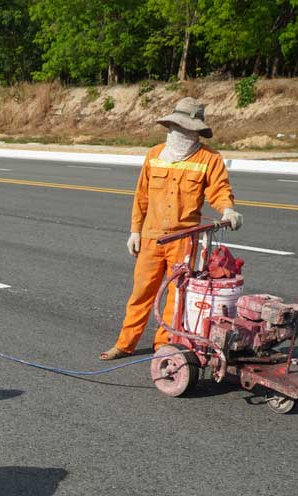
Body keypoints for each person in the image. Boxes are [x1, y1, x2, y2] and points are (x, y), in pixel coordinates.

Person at [100, 97, 243, 360]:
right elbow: (141, 196)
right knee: (141, 293)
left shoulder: (209, 159)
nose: (182, 133)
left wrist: (227, 209)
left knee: (176, 298)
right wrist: (135, 231)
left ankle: (164, 347)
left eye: (188, 129)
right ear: (171, 127)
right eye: (178, 127)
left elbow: (219, 189)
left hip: (184, 239)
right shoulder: (154, 155)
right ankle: (125, 343)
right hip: (152, 237)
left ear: (197, 131)